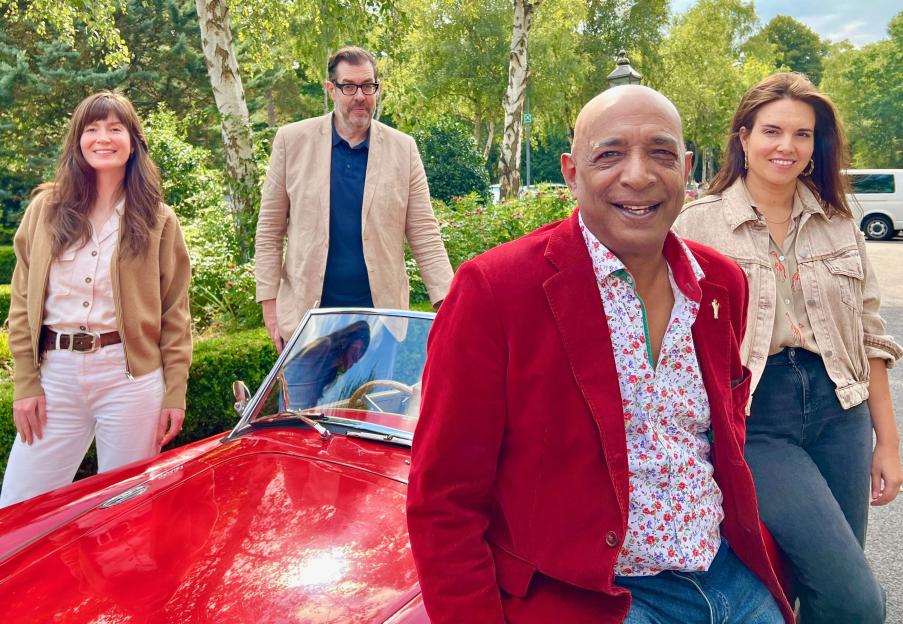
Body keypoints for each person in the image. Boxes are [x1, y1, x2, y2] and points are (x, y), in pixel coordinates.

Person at [407, 85, 793, 624]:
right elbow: (444, 500)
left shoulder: (721, 285)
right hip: (597, 597)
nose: (638, 176)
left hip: (730, 580)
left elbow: (721, 436)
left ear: (686, 168)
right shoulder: (495, 290)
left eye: (661, 153)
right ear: (570, 172)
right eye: (609, 154)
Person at [674, 72, 902, 623]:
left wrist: (888, 442)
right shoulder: (698, 226)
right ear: (744, 138)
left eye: (803, 135)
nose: (787, 146)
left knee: (822, 584)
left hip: (842, 412)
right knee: (854, 596)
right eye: (772, 131)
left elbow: (870, 334)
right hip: (759, 417)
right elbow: (677, 342)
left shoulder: (838, 221)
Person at [1, 91, 192, 508]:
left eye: (114, 128)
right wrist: (26, 381)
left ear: (132, 141)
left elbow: (175, 313)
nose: (102, 138)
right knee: (18, 506)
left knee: (127, 509)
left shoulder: (158, 218)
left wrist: (174, 391)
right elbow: (21, 302)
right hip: (56, 376)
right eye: (91, 129)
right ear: (77, 140)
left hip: (129, 381)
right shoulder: (45, 210)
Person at [255, 46, 453, 352]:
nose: (360, 95)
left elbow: (425, 234)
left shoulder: (404, 149)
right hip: (307, 323)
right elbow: (269, 231)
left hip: (380, 325)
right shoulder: (291, 141)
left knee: (378, 402)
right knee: (302, 404)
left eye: (367, 86)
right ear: (331, 89)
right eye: (349, 86)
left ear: (376, 89)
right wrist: (271, 309)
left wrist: (448, 302)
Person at [280, 320, 370, 409]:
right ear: (349, 339)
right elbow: (296, 381)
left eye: (362, 351)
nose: (358, 356)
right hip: (290, 405)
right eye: (359, 348)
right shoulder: (325, 345)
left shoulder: (333, 369)